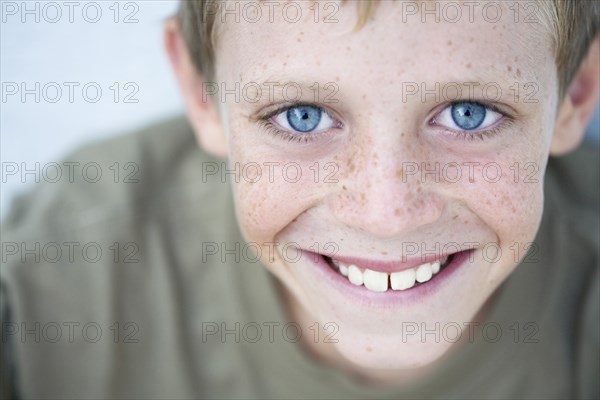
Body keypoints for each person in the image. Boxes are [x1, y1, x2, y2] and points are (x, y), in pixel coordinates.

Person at [1, 1, 599, 398]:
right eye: (301, 116)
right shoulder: (54, 287)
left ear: (576, 91)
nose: (384, 214)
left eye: (470, 116)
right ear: (201, 92)